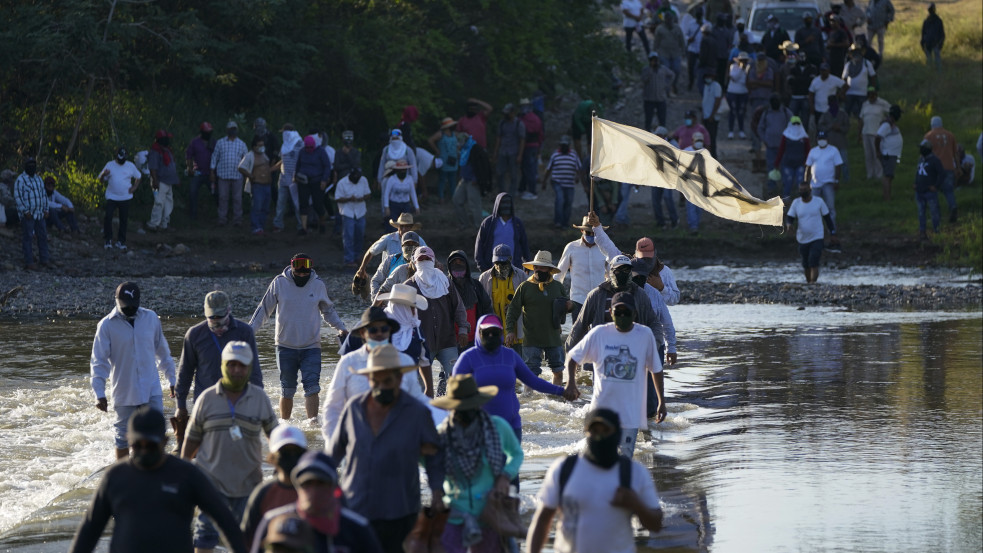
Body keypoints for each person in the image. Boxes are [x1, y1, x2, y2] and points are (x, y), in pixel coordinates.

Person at [69, 407, 247, 553]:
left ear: (165, 441)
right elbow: (89, 532)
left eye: (151, 445)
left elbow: (226, 521)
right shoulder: (115, 477)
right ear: (128, 442)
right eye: (138, 446)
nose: (144, 451)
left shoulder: (187, 475)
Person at [328, 345, 446, 553]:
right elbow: (334, 453)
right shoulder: (354, 408)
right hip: (356, 507)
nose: (381, 387)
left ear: (400, 379)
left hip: (400, 510)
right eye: (376, 380)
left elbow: (434, 457)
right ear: (368, 379)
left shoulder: (417, 414)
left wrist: (437, 491)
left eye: (387, 381)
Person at [182, 341, 278, 553]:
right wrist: (183, 476)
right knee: (204, 540)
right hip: (211, 487)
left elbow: (276, 437)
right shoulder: (206, 399)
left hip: (249, 487)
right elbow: (191, 441)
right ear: (223, 365)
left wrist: (283, 473)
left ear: (250, 367)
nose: (236, 370)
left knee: (249, 543)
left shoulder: (260, 398)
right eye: (231, 364)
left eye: (242, 365)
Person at [527, 408, 664, 553]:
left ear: (617, 434)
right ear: (586, 434)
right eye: (594, 432)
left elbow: (656, 525)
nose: (600, 437)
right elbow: (542, 520)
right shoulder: (564, 468)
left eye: (606, 431)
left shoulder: (634, 472)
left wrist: (635, 503)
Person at [566, 292, 666, 457]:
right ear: (610, 313)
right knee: (598, 459)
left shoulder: (645, 335)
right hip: (601, 412)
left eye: (626, 312)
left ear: (635, 313)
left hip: (631, 413)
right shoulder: (599, 334)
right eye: (617, 312)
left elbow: (656, 369)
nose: (622, 316)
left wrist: (661, 402)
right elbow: (573, 357)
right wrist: (571, 383)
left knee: (624, 459)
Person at [431, 374, 524, 552]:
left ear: (479, 404)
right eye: (460, 409)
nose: (466, 412)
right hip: (453, 513)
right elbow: (426, 461)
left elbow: (516, 454)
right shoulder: (440, 435)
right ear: (451, 408)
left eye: (470, 407)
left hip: (490, 514)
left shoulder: (497, 426)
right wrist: (436, 490)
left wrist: (505, 476)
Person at [249, 253, 348, 420]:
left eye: (305, 271)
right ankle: (285, 425)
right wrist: (248, 332)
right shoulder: (279, 283)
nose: (302, 274)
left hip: (311, 346)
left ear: (310, 268)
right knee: (287, 389)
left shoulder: (317, 285)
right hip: (285, 346)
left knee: (312, 388)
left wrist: (342, 329)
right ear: (292, 267)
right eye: (298, 270)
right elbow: (264, 310)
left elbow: (328, 311)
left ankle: (312, 425)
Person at [453, 315, 573, 443]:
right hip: (480, 427)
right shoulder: (468, 358)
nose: (491, 336)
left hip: (511, 426)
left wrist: (562, 391)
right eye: (486, 332)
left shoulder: (510, 356)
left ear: (501, 333)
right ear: (478, 333)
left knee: (512, 462)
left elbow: (533, 381)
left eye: (495, 332)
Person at [91, 282, 176, 459]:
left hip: (151, 389)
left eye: (133, 305)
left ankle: (156, 473)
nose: (130, 309)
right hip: (124, 392)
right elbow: (99, 361)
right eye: (125, 306)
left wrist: (172, 379)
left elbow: (162, 352)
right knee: (122, 438)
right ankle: (124, 475)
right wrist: (99, 393)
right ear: (117, 301)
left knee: (157, 434)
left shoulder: (151, 318)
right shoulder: (106, 326)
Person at [322, 306, 428, 440]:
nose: (379, 334)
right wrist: (333, 445)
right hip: (358, 438)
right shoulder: (348, 363)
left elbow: (417, 400)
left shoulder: (405, 362)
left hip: (397, 438)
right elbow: (332, 407)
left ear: (390, 331)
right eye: (373, 330)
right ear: (362, 333)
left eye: (384, 329)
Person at [248, 451, 384, 553]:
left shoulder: (357, 528)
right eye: (307, 484)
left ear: (334, 488)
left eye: (320, 483)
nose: (313, 491)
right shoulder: (275, 522)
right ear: (297, 486)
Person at [174, 290, 263, 437]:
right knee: (206, 451)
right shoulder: (194, 335)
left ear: (228, 311)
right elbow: (185, 372)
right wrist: (180, 406)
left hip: (239, 402)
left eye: (220, 317)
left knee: (237, 448)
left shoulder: (244, 332)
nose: (216, 321)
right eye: (212, 317)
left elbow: (254, 372)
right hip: (206, 404)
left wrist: (256, 401)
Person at [405, 246, 470, 396]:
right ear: (414, 263)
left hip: (446, 340)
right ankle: (426, 415)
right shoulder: (409, 286)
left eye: (427, 259)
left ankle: (454, 413)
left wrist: (462, 329)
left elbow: (459, 308)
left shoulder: (445, 282)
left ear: (433, 260)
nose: (425, 262)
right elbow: (402, 317)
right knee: (420, 388)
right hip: (422, 344)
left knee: (456, 381)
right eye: (421, 260)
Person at [505, 250, 570, 385]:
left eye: (542, 267)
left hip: (553, 337)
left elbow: (567, 306)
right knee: (530, 373)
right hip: (531, 338)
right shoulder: (525, 287)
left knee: (558, 370)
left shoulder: (558, 287)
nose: (539, 270)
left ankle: (556, 399)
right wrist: (510, 330)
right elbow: (513, 309)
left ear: (550, 270)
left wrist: (571, 306)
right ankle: (530, 402)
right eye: (537, 267)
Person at [241, 425, 307, 551]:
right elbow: (247, 541)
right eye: (285, 452)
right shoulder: (263, 492)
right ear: (272, 457)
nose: (291, 457)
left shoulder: (316, 489)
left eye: (295, 452)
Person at [557, 217, 609, 322]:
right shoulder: (571, 247)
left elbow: (611, 274)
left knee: (598, 334)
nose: (591, 236)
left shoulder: (605, 248)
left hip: (599, 300)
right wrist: (556, 295)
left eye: (593, 233)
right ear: (582, 231)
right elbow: (559, 274)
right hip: (578, 301)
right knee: (578, 335)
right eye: (588, 232)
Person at [478, 244, 527, 356]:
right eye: (497, 263)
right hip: (493, 334)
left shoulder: (521, 276)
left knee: (518, 368)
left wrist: (515, 307)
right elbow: (481, 307)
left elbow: (528, 303)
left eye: (503, 263)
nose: (500, 266)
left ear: (510, 259)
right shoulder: (484, 278)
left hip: (516, 334)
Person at [786, 182, 836, 283]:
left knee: (813, 261)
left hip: (817, 236)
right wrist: (789, 225)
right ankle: (809, 283)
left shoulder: (819, 202)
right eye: (801, 190)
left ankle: (813, 284)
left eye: (805, 190)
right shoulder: (796, 203)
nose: (803, 192)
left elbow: (828, 219)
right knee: (806, 264)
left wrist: (833, 233)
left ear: (810, 191)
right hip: (802, 238)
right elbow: (790, 217)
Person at [356, 212, 427, 282]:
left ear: (411, 227)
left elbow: (428, 254)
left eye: (407, 226)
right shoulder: (388, 239)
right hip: (389, 277)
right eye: (401, 226)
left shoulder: (418, 240)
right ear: (398, 227)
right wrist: (362, 269)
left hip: (410, 277)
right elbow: (371, 251)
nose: (404, 229)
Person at [803, 130, 843, 248]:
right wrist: (806, 183)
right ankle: (814, 233)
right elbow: (808, 168)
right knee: (814, 209)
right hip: (815, 184)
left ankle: (832, 231)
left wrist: (837, 180)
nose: (822, 140)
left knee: (830, 208)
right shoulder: (813, 151)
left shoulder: (833, 150)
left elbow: (838, 166)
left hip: (829, 183)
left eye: (823, 138)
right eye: (820, 138)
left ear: (827, 139)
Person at [447, 250, 492, 349]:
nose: (458, 265)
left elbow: (487, 308)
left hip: (474, 340)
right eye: (454, 263)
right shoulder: (444, 286)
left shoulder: (476, 286)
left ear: (466, 265)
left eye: (461, 262)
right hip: (451, 342)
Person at [474, 192, 530, 272]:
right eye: (503, 203)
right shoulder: (488, 223)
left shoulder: (518, 224)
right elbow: (479, 248)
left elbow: (525, 247)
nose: (506, 206)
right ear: (497, 204)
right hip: (491, 270)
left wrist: (526, 267)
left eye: (508, 203)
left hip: (514, 270)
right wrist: (482, 268)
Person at [98, 147, 141, 250]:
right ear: (116, 156)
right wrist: (104, 174)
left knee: (124, 220)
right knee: (108, 217)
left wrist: (134, 187)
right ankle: (108, 239)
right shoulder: (110, 165)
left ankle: (121, 241)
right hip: (112, 196)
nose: (122, 160)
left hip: (125, 197)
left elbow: (138, 176)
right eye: (121, 157)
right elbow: (101, 180)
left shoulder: (130, 165)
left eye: (124, 157)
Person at [209, 121, 248, 227]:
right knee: (222, 197)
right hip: (223, 175)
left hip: (237, 175)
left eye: (234, 128)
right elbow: (214, 158)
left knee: (237, 198)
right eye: (231, 128)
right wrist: (212, 171)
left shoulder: (242, 144)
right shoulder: (220, 142)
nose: (232, 130)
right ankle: (222, 219)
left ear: (237, 130)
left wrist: (246, 175)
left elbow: (246, 160)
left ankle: (238, 220)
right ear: (227, 130)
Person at [923, 116, 959, 223]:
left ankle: (936, 214)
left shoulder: (929, 136)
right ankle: (952, 206)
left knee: (933, 191)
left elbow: (924, 152)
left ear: (932, 124)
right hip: (948, 167)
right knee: (949, 190)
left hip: (934, 169)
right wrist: (958, 167)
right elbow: (955, 153)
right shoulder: (950, 135)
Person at [543, 136, 584, 229]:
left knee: (568, 202)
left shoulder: (574, 155)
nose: (563, 147)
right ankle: (558, 222)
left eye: (565, 145)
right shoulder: (555, 155)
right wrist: (544, 182)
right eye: (562, 145)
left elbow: (579, 168)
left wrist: (578, 177)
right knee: (560, 199)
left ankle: (565, 222)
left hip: (569, 183)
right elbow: (548, 169)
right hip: (557, 182)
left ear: (569, 146)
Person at [294, 134, 332, 235]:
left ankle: (322, 223)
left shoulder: (320, 152)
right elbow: (298, 165)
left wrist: (324, 180)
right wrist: (296, 176)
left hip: (317, 180)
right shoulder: (302, 152)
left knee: (318, 203)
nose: (309, 149)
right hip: (303, 180)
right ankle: (304, 227)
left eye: (311, 147)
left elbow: (327, 166)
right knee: (303, 203)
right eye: (307, 147)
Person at [334, 166, 372, 267]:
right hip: (347, 212)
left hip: (360, 211)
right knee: (348, 236)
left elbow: (368, 194)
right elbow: (337, 198)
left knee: (360, 235)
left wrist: (362, 198)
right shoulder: (342, 183)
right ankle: (349, 259)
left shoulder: (363, 180)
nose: (357, 178)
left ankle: (357, 256)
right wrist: (349, 199)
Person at [758, 95, 794, 196]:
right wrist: (764, 139)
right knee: (771, 167)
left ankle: (785, 188)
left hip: (784, 147)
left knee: (784, 167)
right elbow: (760, 128)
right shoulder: (766, 113)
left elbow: (794, 126)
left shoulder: (786, 113)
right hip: (770, 146)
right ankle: (771, 188)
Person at [238, 136, 274, 235]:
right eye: (259, 145)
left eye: (263, 145)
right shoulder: (250, 155)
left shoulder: (264, 155)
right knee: (257, 207)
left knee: (265, 208)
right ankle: (255, 227)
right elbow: (241, 167)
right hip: (257, 185)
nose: (262, 147)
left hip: (267, 184)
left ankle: (261, 226)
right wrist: (250, 176)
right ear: (254, 147)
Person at [371, 230, 421, 299]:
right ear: (402, 245)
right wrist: (376, 299)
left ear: (418, 247)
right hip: (389, 301)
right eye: (407, 244)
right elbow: (376, 281)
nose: (410, 248)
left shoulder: (422, 263)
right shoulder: (391, 260)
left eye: (414, 244)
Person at [146, 129, 180, 232]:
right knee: (159, 202)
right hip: (159, 181)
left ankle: (164, 224)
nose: (168, 140)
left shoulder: (167, 150)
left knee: (168, 203)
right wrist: (155, 181)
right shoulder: (155, 151)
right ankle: (153, 224)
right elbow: (153, 168)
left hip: (168, 181)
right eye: (166, 138)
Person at [273, 125, 304, 233]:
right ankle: (278, 224)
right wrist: (272, 168)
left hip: (295, 179)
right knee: (280, 203)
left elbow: (303, 161)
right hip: (283, 178)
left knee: (297, 203)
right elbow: (282, 160)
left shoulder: (300, 144)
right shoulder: (284, 145)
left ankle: (301, 225)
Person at [858, 87, 891, 180]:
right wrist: (859, 133)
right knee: (868, 155)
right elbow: (861, 118)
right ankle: (870, 174)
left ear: (876, 95)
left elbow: (891, 112)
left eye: (872, 95)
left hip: (877, 133)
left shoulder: (882, 103)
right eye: (869, 95)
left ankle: (879, 174)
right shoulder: (865, 104)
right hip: (866, 132)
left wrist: (886, 123)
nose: (871, 97)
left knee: (877, 154)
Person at [773, 116, 811, 198]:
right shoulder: (786, 135)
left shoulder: (804, 137)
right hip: (788, 164)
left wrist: (808, 163)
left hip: (800, 164)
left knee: (800, 183)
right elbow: (781, 150)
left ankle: (801, 201)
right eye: (794, 124)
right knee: (788, 183)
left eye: (797, 123)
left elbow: (808, 151)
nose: (796, 125)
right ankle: (786, 201)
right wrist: (777, 164)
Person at [494, 103, 526, 197]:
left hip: (514, 152)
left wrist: (520, 155)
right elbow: (498, 138)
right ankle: (501, 192)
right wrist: (495, 152)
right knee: (500, 173)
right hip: (503, 150)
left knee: (513, 175)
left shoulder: (519, 124)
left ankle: (511, 194)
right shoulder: (502, 123)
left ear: (513, 113)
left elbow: (522, 140)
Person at [914, 140, 944, 239]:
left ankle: (937, 230)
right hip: (919, 190)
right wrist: (915, 183)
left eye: (922, 148)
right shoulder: (920, 159)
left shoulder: (935, 160)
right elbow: (918, 172)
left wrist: (936, 185)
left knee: (934, 212)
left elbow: (942, 174)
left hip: (930, 191)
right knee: (921, 212)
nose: (920, 150)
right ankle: (922, 231)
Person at [818, 96, 851, 185]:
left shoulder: (843, 114)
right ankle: (831, 180)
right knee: (830, 164)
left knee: (844, 163)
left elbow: (847, 127)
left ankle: (846, 180)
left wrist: (839, 128)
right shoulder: (825, 115)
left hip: (841, 142)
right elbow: (820, 127)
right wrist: (830, 127)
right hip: (830, 143)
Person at [186, 122, 214, 221]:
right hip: (197, 172)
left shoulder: (214, 142)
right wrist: (189, 168)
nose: (208, 134)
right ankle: (193, 216)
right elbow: (189, 156)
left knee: (216, 193)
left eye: (209, 132)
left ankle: (216, 214)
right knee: (193, 192)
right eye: (206, 132)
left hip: (210, 173)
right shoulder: (195, 142)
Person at [641, 53, 676, 132]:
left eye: (655, 60)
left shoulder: (663, 69)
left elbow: (672, 75)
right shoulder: (646, 69)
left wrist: (667, 85)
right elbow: (643, 80)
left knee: (662, 119)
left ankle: (662, 136)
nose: (654, 62)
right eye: (652, 60)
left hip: (661, 98)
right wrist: (650, 70)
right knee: (648, 119)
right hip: (649, 99)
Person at [652, 12, 685, 94]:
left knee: (676, 70)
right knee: (665, 70)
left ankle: (674, 84)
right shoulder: (660, 29)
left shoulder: (677, 28)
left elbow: (682, 40)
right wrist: (654, 53)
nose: (669, 21)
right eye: (667, 19)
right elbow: (656, 42)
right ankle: (666, 89)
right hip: (664, 53)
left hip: (676, 53)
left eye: (670, 19)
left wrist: (683, 51)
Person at [875, 104, 903, 200]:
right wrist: (878, 151)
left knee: (890, 176)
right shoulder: (886, 124)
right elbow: (878, 137)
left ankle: (887, 195)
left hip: (892, 153)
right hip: (888, 154)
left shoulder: (891, 123)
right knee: (888, 176)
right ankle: (887, 197)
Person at [428, 117, 460, 202]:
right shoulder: (440, 134)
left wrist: (458, 151)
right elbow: (430, 140)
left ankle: (453, 197)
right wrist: (436, 150)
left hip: (453, 160)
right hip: (444, 160)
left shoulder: (455, 134)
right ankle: (441, 197)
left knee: (453, 180)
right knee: (442, 179)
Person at [841, 46, 878, 118]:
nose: (856, 54)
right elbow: (844, 79)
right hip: (849, 93)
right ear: (851, 54)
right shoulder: (848, 65)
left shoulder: (867, 63)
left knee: (862, 113)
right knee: (846, 113)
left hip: (862, 93)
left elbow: (873, 77)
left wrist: (872, 89)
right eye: (854, 52)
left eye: (858, 52)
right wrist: (843, 92)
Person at [519, 98, 545, 200]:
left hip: (528, 146)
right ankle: (523, 188)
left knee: (530, 169)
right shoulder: (535, 118)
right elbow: (541, 135)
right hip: (533, 146)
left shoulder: (525, 119)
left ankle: (532, 191)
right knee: (527, 169)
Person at [808, 64, 845, 131]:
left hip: (830, 110)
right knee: (819, 128)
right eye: (822, 70)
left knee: (829, 128)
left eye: (825, 70)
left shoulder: (834, 79)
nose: (824, 72)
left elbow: (845, 85)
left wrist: (840, 94)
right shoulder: (815, 81)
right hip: (818, 109)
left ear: (828, 71)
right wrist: (811, 106)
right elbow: (811, 94)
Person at [381, 159, 419, 224]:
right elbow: (386, 194)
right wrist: (386, 207)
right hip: (394, 205)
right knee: (393, 225)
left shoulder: (409, 179)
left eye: (404, 170)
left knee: (406, 224)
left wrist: (416, 206)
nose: (402, 171)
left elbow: (413, 193)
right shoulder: (392, 179)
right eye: (401, 170)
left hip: (406, 205)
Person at [725, 52, 749, 139]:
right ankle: (731, 131)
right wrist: (741, 69)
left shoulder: (748, 68)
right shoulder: (733, 67)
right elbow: (734, 77)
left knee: (741, 112)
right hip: (733, 92)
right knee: (732, 111)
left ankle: (741, 130)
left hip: (743, 92)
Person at [682, 7, 705, 90]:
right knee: (690, 67)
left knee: (702, 68)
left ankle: (701, 83)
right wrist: (689, 38)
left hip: (702, 50)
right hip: (692, 49)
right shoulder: (691, 24)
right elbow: (684, 34)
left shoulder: (706, 24)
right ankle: (691, 82)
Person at [921, 3, 945, 71]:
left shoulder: (936, 21)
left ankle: (935, 74)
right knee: (931, 60)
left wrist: (940, 43)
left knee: (933, 60)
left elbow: (942, 34)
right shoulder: (928, 21)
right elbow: (923, 33)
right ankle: (933, 74)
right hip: (930, 43)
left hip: (934, 43)